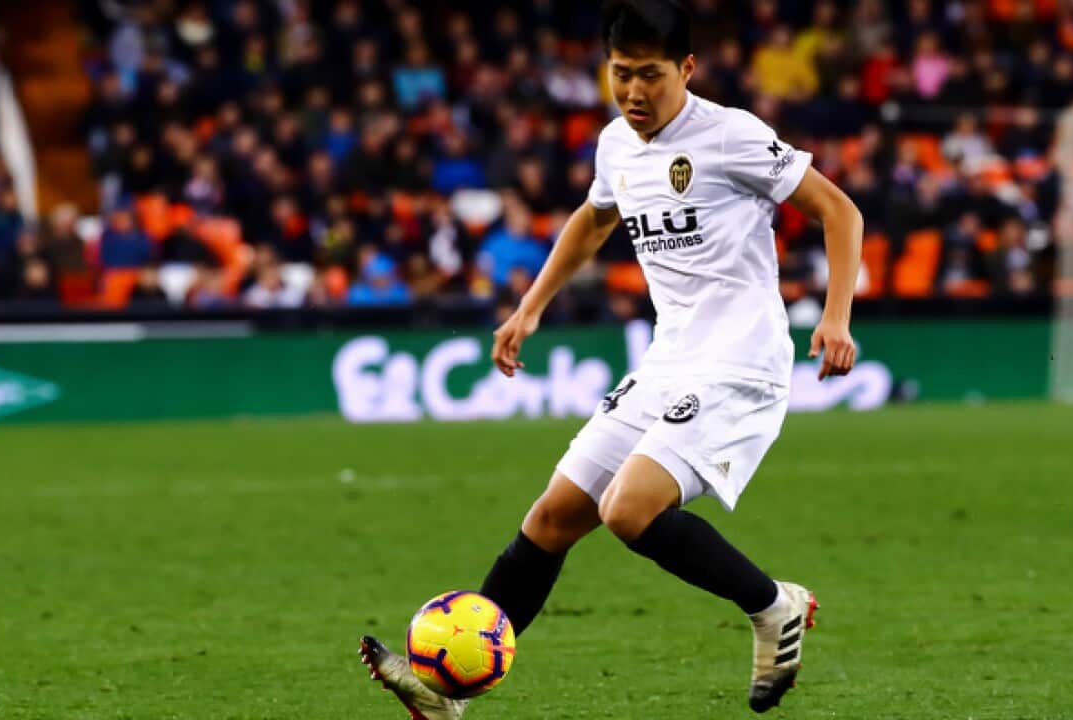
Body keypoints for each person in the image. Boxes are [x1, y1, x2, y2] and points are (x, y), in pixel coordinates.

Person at [357, 1, 863, 717]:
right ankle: (447, 696)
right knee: (554, 516)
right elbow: (593, 219)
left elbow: (840, 210)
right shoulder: (616, 144)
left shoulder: (731, 137)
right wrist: (530, 306)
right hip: (668, 360)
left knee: (627, 510)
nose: (633, 92)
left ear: (686, 69)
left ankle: (772, 605)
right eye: (620, 74)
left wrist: (836, 315)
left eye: (650, 76)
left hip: (739, 362)